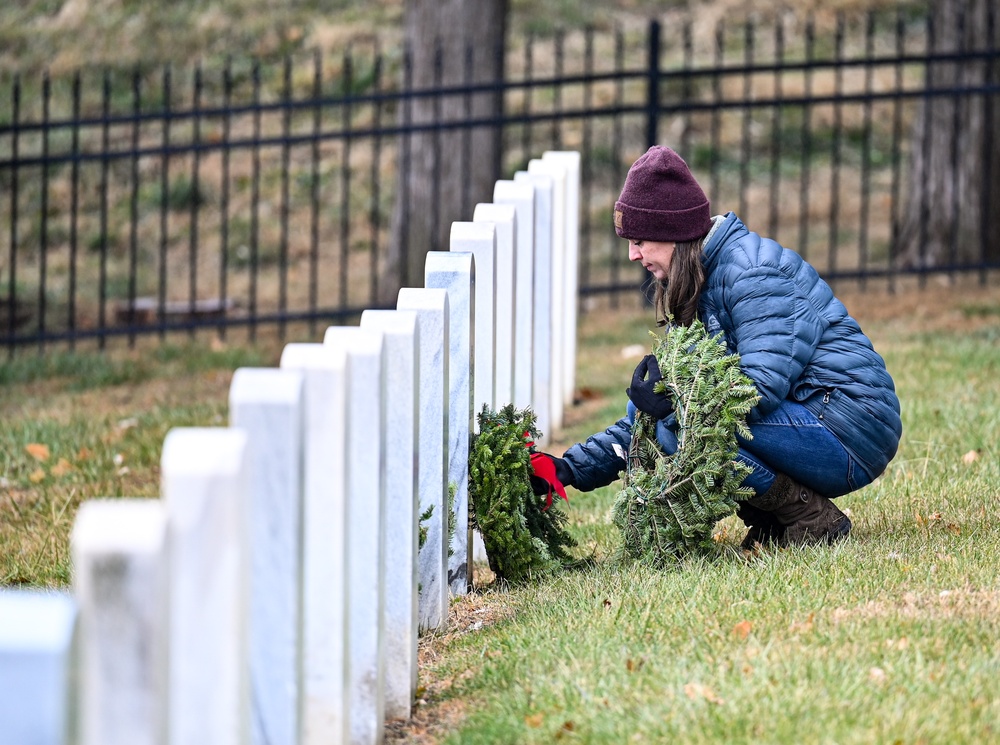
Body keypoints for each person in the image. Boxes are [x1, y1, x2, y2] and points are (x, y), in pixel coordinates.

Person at [531, 145, 902, 548]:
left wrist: (673, 402)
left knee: (681, 420)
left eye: (639, 239)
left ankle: (810, 518)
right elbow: (653, 417)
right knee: (661, 415)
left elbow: (758, 389)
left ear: (673, 232)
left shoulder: (754, 273)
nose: (632, 254)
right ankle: (777, 518)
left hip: (850, 430)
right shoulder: (697, 282)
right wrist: (567, 468)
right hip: (811, 421)